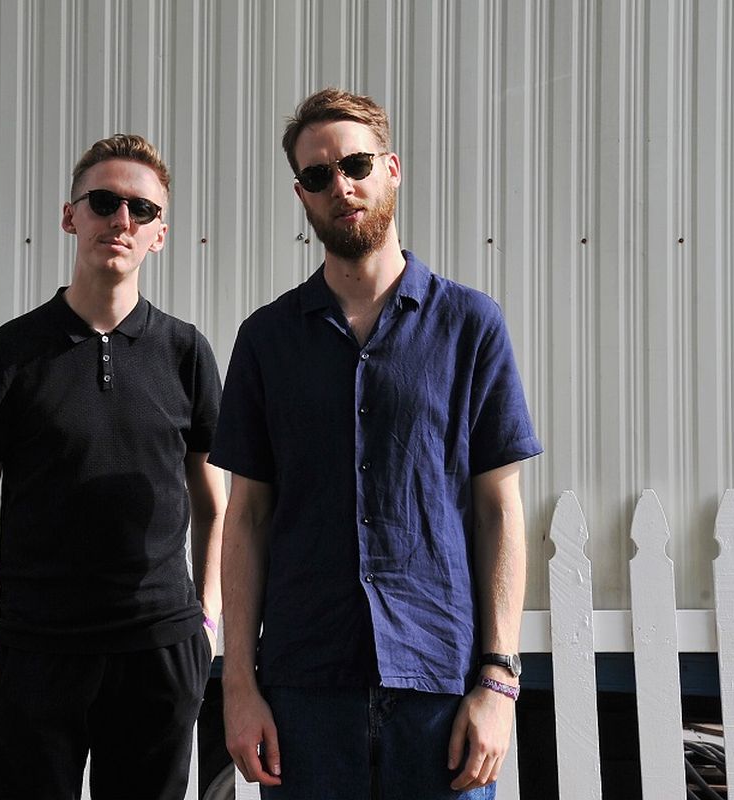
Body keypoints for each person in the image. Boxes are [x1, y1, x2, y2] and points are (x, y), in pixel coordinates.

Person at [211, 88, 542, 799]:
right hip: (303, 691)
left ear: (391, 168)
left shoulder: (471, 326)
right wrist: (238, 682)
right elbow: (246, 517)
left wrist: (498, 680)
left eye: (356, 164)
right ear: (301, 194)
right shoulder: (267, 341)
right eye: (318, 175)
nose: (342, 186)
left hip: (441, 691)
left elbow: (499, 511)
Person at [0, 133, 226, 800]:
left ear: (160, 233)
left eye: (142, 209)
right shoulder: (13, 353)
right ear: (71, 215)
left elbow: (217, 507)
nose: (121, 221)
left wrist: (207, 628)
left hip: (159, 654)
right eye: (103, 202)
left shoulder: (186, 353)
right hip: (38, 654)